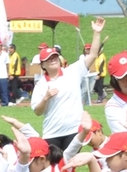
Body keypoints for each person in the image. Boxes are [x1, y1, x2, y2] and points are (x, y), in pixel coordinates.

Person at [30, 18, 104, 159]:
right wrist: (45, 98)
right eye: (49, 59)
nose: (53, 60)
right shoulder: (41, 85)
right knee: (54, 169)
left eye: (55, 57)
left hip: (74, 131)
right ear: (43, 65)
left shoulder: (72, 72)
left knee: (69, 168)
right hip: (52, 133)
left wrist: (97, 33)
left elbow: (93, 54)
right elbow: (37, 112)